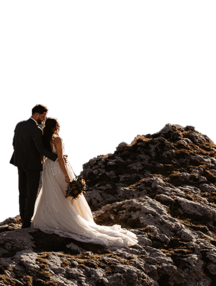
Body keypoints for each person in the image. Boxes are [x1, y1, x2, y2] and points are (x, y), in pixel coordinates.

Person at [27, 114, 140, 248]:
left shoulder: (44, 139)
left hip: (47, 169)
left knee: (51, 193)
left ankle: (50, 217)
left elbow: (42, 156)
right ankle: (70, 218)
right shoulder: (57, 139)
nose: (59, 127)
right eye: (58, 125)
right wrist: (66, 175)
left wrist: (45, 166)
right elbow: (61, 159)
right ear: (54, 127)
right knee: (65, 194)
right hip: (58, 168)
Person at [12, 101, 58, 229]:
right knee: (32, 193)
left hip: (19, 163)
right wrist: (56, 157)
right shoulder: (36, 129)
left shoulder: (19, 125)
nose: (44, 119)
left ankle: (22, 216)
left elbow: (15, 143)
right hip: (32, 165)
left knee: (22, 191)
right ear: (37, 115)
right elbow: (40, 149)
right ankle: (27, 221)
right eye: (43, 116)